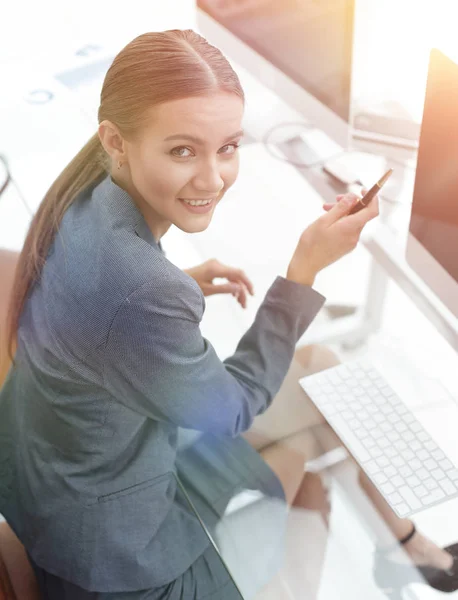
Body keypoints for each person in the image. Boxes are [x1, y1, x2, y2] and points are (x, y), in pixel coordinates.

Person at [0, 29, 456, 600]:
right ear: (116, 141)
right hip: (121, 561)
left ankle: (406, 544)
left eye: (228, 146)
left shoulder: (84, 196)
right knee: (313, 446)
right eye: (183, 150)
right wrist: (304, 270)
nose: (213, 179)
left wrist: (172, 291)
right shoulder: (142, 290)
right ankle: (397, 551)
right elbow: (234, 409)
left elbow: (98, 310)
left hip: (62, 493)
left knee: (322, 366)